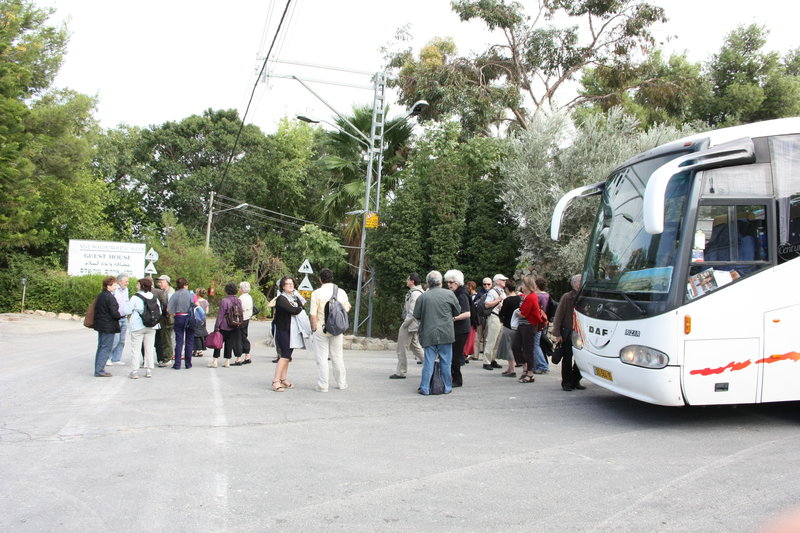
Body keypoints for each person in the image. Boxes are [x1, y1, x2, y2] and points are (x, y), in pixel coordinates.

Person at [413, 270, 460, 395]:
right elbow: (457, 311)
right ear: (440, 283)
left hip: (428, 333)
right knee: (446, 362)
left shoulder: (423, 297)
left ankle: (425, 388)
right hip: (446, 333)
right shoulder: (449, 294)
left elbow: (416, 315)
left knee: (428, 362)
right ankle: (447, 387)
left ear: (428, 283)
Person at [309, 268, 351, 392]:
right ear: (332, 278)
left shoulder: (316, 293)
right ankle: (342, 383)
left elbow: (312, 314)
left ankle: (323, 385)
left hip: (321, 328)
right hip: (337, 329)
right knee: (337, 356)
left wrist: (313, 327)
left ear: (320, 279)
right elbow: (347, 308)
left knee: (322, 358)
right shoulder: (341, 292)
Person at [270, 276, 305, 392]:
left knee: (288, 356)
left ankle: (283, 379)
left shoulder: (294, 296)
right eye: (288, 284)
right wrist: (299, 308)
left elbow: (302, 306)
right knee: (284, 356)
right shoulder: (281, 298)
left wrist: (299, 305)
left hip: (293, 331)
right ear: (283, 287)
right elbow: (293, 310)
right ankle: (276, 381)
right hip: (283, 330)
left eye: (292, 284)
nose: (291, 285)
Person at [552, 274, 586, 391]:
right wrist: (557, 333)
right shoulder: (567, 297)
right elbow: (559, 315)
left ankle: (575, 380)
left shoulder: (585, 296)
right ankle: (566, 382)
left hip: (581, 334)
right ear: (575, 283)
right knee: (567, 358)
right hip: (568, 333)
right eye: (580, 281)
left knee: (581, 359)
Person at [389, 273, 424, 379]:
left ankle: (401, 371)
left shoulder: (415, 293)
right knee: (415, 347)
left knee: (401, 348)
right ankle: (431, 364)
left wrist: (405, 324)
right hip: (413, 324)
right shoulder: (417, 292)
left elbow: (413, 311)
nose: (406, 281)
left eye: (408, 279)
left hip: (410, 324)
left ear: (412, 281)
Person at [127, 277, 160, 379]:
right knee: (149, 348)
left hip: (138, 326)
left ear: (141, 286)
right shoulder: (154, 297)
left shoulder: (135, 297)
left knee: (135, 349)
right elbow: (160, 311)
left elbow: (127, 310)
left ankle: (134, 371)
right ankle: (149, 370)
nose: (137, 286)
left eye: (138, 284)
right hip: (152, 326)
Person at [444, 269, 471, 387]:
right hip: (457, 328)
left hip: (461, 329)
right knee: (453, 354)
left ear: (457, 282)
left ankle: (457, 379)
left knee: (455, 355)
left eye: (451, 282)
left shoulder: (462, 294)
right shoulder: (456, 293)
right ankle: (453, 376)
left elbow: (467, 313)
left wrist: (452, 319)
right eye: (447, 282)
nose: (448, 284)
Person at [516, 276, 546, 383]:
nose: (522, 286)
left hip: (529, 326)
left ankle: (530, 373)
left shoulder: (531, 297)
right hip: (523, 325)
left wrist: (519, 313)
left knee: (528, 349)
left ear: (527, 285)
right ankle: (525, 368)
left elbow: (524, 313)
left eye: (523, 284)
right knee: (516, 346)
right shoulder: (527, 296)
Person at [208, 282, 243, 368]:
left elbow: (220, 314)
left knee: (218, 343)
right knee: (229, 343)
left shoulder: (224, 301)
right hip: (235, 324)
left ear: (227, 291)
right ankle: (227, 361)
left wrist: (216, 326)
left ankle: (215, 361)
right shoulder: (238, 301)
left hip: (224, 325)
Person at [92, 276, 122, 377]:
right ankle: (100, 370)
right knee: (105, 348)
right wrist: (121, 315)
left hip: (101, 324)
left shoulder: (101, 295)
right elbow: (114, 313)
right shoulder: (110, 297)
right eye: (114, 285)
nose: (115, 287)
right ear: (108, 286)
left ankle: (98, 368)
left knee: (101, 347)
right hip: (108, 326)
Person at [167, 277, 194, 370]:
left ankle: (177, 364)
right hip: (190, 317)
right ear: (185, 285)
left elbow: (169, 309)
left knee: (179, 341)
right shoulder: (191, 294)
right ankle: (188, 363)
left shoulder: (175, 294)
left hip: (179, 317)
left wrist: (174, 315)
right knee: (189, 341)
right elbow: (195, 305)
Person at [482, 274, 507, 370]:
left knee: (497, 340)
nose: (504, 281)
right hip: (494, 316)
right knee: (491, 339)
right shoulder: (493, 292)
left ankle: (492, 359)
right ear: (497, 281)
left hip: (499, 317)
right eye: (502, 280)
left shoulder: (502, 292)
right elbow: (487, 304)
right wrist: (498, 300)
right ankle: (486, 361)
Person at [496, 278, 521, 377]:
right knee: (514, 347)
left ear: (507, 288)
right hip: (517, 326)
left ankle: (512, 369)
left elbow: (502, 313)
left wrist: (499, 309)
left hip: (508, 326)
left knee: (509, 348)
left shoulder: (507, 300)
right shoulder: (519, 298)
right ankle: (510, 368)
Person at [107, 273, 130, 366]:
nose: (127, 283)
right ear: (120, 282)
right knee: (114, 339)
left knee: (121, 340)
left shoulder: (126, 290)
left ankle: (116, 358)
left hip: (124, 317)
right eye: (126, 281)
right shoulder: (114, 290)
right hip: (116, 318)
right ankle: (108, 358)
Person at [155, 275, 175, 367]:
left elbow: (170, 307)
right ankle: (165, 357)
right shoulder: (164, 291)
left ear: (167, 282)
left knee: (166, 339)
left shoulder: (170, 292)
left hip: (168, 319)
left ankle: (167, 358)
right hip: (164, 318)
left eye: (161, 282)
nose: (159, 283)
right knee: (163, 338)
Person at [532, 278, 551, 374]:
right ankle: (541, 364)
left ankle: (542, 365)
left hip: (537, 322)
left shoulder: (536, 296)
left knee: (535, 345)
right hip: (544, 320)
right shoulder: (547, 295)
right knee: (539, 344)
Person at [235, 281, 254, 366]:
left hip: (241, 319)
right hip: (247, 318)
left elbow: (238, 310)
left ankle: (238, 358)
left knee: (239, 338)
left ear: (241, 289)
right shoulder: (249, 297)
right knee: (244, 336)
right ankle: (247, 356)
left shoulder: (241, 299)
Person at [193, 288, 209, 357]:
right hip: (203, 320)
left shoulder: (195, 302)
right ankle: (200, 350)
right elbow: (207, 312)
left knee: (196, 335)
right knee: (202, 333)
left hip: (196, 319)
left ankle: (196, 350)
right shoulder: (205, 301)